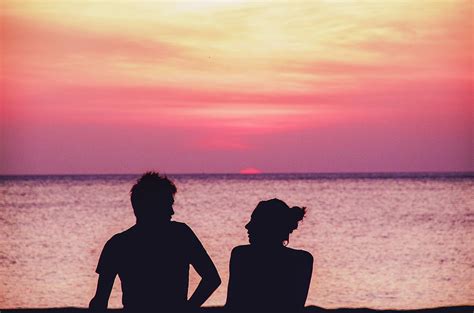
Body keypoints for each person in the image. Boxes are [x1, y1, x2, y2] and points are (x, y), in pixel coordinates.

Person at [89, 172, 221, 312]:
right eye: (166, 205)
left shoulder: (117, 244)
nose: (172, 212)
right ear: (151, 207)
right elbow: (212, 279)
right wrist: (187, 308)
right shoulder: (181, 234)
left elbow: (100, 300)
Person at [226, 199, 313, 313]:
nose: (247, 226)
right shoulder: (302, 260)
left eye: (254, 221)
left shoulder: (241, 255)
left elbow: (233, 305)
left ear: (267, 226)